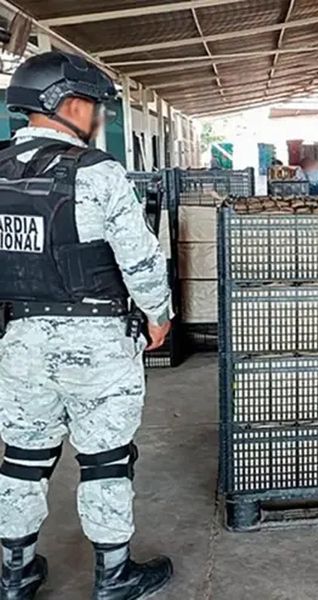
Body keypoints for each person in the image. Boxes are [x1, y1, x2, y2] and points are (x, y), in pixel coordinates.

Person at [0, 51, 174, 599]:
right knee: (105, 462)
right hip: (98, 344)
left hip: (20, 343)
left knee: (21, 462)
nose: (97, 117)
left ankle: (15, 575)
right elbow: (140, 261)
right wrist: (158, 316)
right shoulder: (97, 173)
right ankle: (114, 578)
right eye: (94, 106)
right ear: (70, 104)